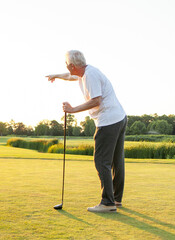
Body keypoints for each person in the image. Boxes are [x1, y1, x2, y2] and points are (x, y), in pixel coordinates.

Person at [47, 50, 127, 213]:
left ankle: (107, 203)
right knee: (116, 161)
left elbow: (96, 101)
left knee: (101, 161)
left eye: (66, 65)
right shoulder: (83, 72)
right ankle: (116, 199)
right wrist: (56, 75)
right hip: (119, 117)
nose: (66, 68)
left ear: (72, 65)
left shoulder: (89, 76)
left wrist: (72, 109)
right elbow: (70, 76)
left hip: (108, 121)